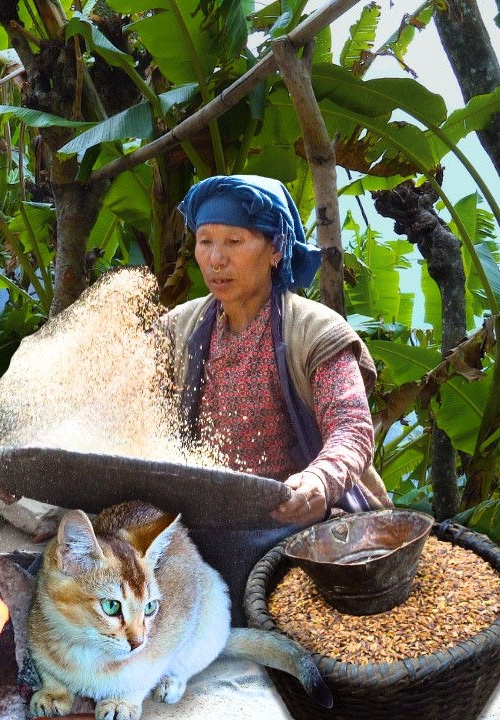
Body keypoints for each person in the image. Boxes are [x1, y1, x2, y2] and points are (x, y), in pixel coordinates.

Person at [165, 175, 392, 527]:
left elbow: (352, 428)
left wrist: (320, 480)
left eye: (234, 241)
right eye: (204, 241)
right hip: (201, 522)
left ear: (276, 249)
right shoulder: (178, 328)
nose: (215, 259)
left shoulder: (315, 331)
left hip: (302, 523)